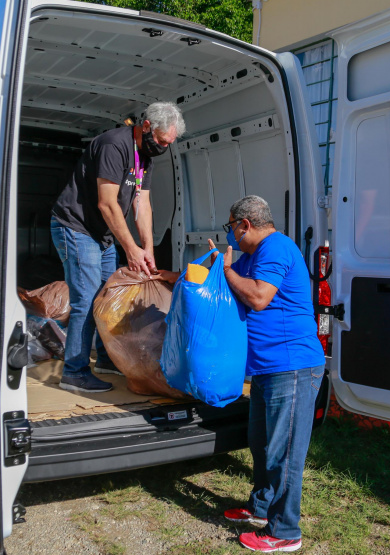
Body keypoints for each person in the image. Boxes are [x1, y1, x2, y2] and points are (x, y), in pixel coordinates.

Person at [207, 195, 325, 553]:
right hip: (266, 368)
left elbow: (257, 297)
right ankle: (259, 510)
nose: (230, 235)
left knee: (283, 452)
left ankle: (285, 531)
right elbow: (224, 284)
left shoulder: (276, 249)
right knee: (260, 445)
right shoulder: (250, 256)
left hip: (291, 367)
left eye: (231, 227)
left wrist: (226, 270)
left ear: (245, 224)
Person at [50, 102, 185, 393]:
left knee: (108, 297)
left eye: (169, 143)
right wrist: (130, 248)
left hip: (103, 235)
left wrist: (147, 247)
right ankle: (74, 371)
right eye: (162, 141)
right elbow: (107, 203)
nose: (164, 147)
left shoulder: (144, 156)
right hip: (76, 228)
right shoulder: (115, 145)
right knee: (86, 301)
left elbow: (142, 203)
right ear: (146, 126)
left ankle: (107, 358)